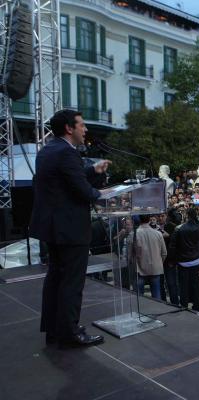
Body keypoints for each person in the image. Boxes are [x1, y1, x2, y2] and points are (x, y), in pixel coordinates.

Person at [32, 109, 110, 348]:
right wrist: (106, 194)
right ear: (69, 128)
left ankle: (54, 331)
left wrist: (91, 171)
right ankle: (70, 333)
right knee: (72, 282)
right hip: (71, 229)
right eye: (82, 125)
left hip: (52, 228)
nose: (85, 129)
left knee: (55, 278)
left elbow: (64, 181)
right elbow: (83, 191)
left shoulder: (48, 150)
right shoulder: (68, 153)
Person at [170, 207, 199, 311]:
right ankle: (196, 306)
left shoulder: (179, 228)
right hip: (196, 260)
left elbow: (172, 246)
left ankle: (184, 306)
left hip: (183, 261)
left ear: (186, 215)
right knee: (195, 285)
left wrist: (172, 260)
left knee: (183, 285)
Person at [133, 214, 168, 300]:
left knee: (139, 298)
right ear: (149, 220)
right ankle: (157, 312)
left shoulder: (135, 234)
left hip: (140, 269)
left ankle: (141, 313)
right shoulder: (158, 234)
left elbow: (132, 255)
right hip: (155, 268)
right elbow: (164, 253)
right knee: (156, 296)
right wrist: (158, 262)